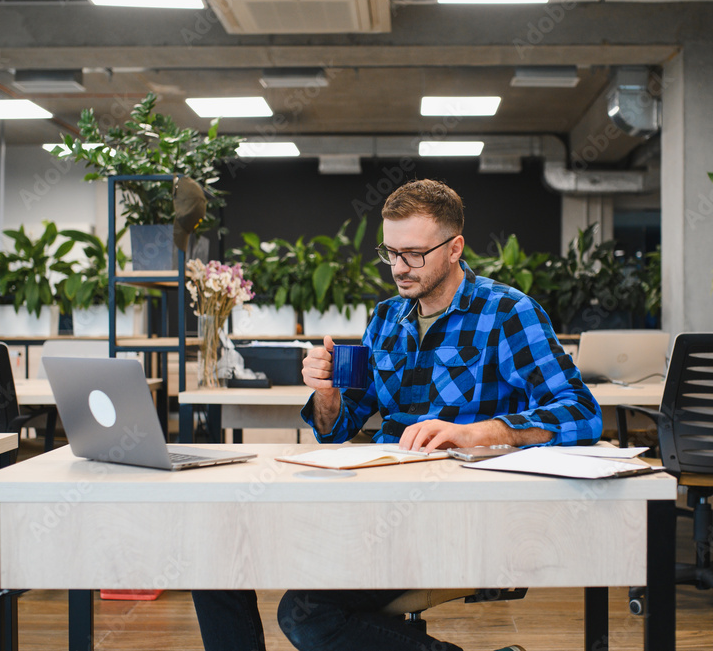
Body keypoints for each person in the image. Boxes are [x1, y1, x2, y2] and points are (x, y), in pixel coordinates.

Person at [193, 179, 602, 651]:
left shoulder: (508, 312)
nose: (399, 269)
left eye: (414, 254)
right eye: (390, 253)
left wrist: (474, 434)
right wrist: (326, 394)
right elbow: (340, 427)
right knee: (215, 555)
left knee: (306, 615)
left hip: (453, 517)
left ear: (455, 248)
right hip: (374, 504)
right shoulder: (388, 317)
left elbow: (580, 412)